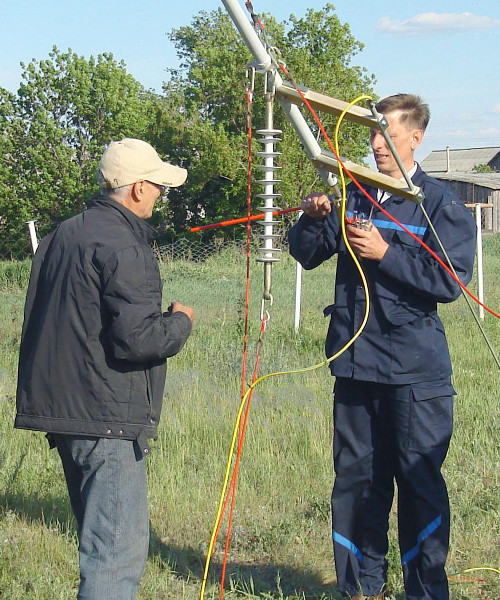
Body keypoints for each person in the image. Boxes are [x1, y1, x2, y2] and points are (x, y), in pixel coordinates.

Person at [288, 95, 476, 600]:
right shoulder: (355, 194)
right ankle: (361, 587)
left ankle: (425, 591)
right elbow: (306, 255)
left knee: (417, 484)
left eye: (386, 133)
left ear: (415, 137)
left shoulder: (439, 204)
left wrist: (387, 254)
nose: (376, 144)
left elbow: (451, 280)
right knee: (356, 486)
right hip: (355, 367)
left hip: (415, 375)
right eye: (372, 134)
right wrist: (312, 218)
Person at [15, 138, 194, 600]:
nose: (159, 194)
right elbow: (140, 340)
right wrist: (181, 322)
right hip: (107, 422)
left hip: (64, 414)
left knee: (99, 547)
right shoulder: (124, 246)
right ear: (136, 188)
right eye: (157, 186)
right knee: (114, 558)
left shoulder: (62, 235)